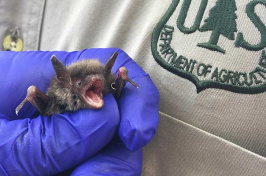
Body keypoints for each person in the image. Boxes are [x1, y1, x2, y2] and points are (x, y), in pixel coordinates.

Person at [1, 0, 266, 175]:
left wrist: (112, 81)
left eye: (99, 82)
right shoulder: (56, 93)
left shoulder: (105, 85)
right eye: (86, 84)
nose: (96, 84)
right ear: (68, 83)